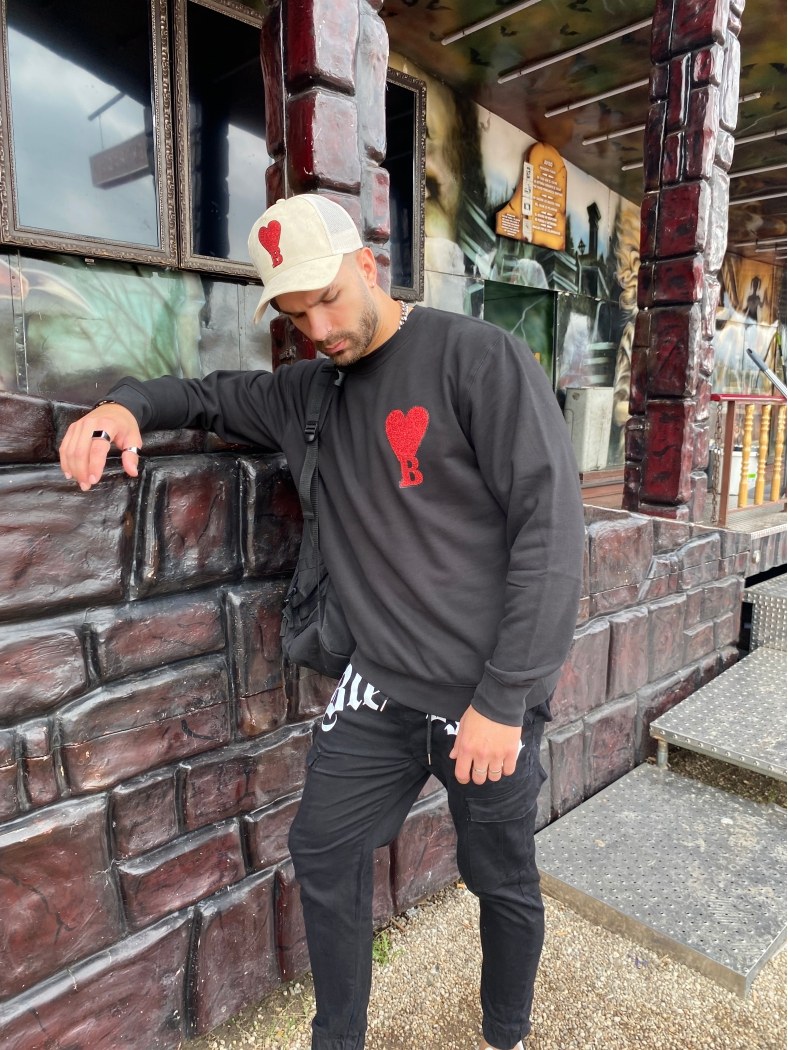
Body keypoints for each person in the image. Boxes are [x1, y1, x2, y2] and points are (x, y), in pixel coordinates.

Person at [59, 193, 585, 1050]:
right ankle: (337, 1039)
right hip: (380, 688)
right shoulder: (307, 394)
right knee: (324, 850)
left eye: (330, 300)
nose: (320, 330)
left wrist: (506, 699)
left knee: (501, 877)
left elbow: (552, 533)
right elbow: (203, 396)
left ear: (368, 266)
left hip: (482, 696)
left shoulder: (478, 359)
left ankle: (506, 1032)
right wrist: (122, 407)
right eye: (298, 315)